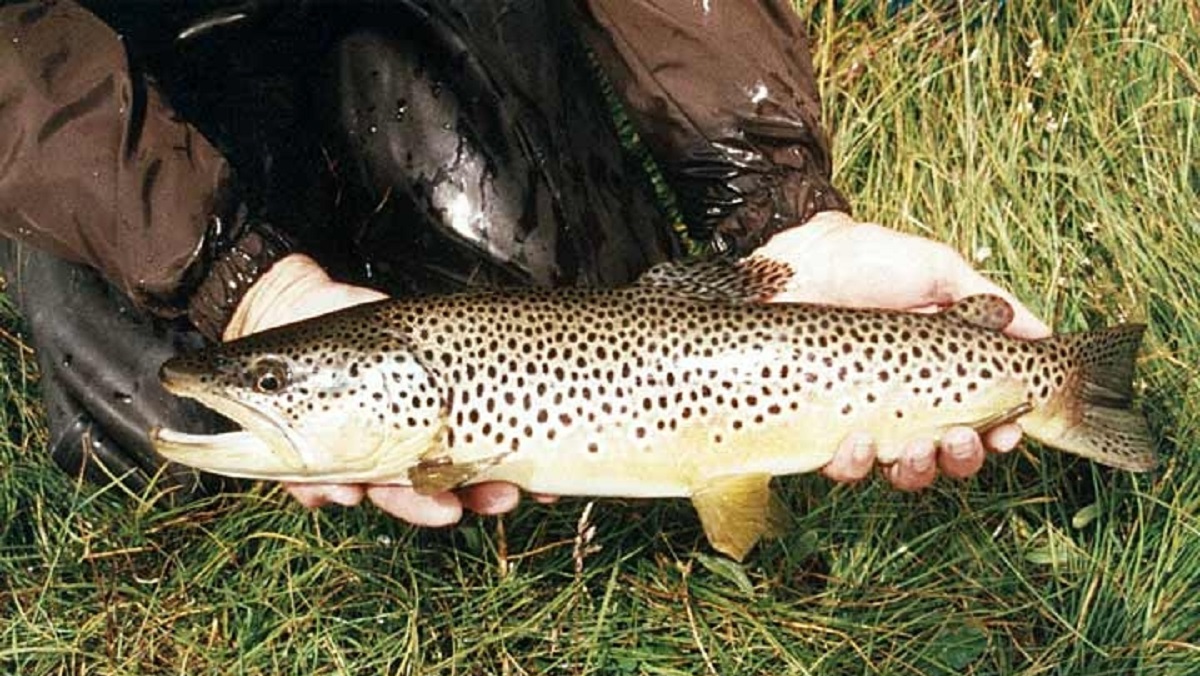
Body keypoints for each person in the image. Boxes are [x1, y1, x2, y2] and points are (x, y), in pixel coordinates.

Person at [0, 0, 1049, 526]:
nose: (271, 383)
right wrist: (243, 284)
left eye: (279, 380)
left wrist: (780, 212)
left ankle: (1060, 386)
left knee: (549, 265)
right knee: (152, 422)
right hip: (109, 64)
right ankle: (244, 223)